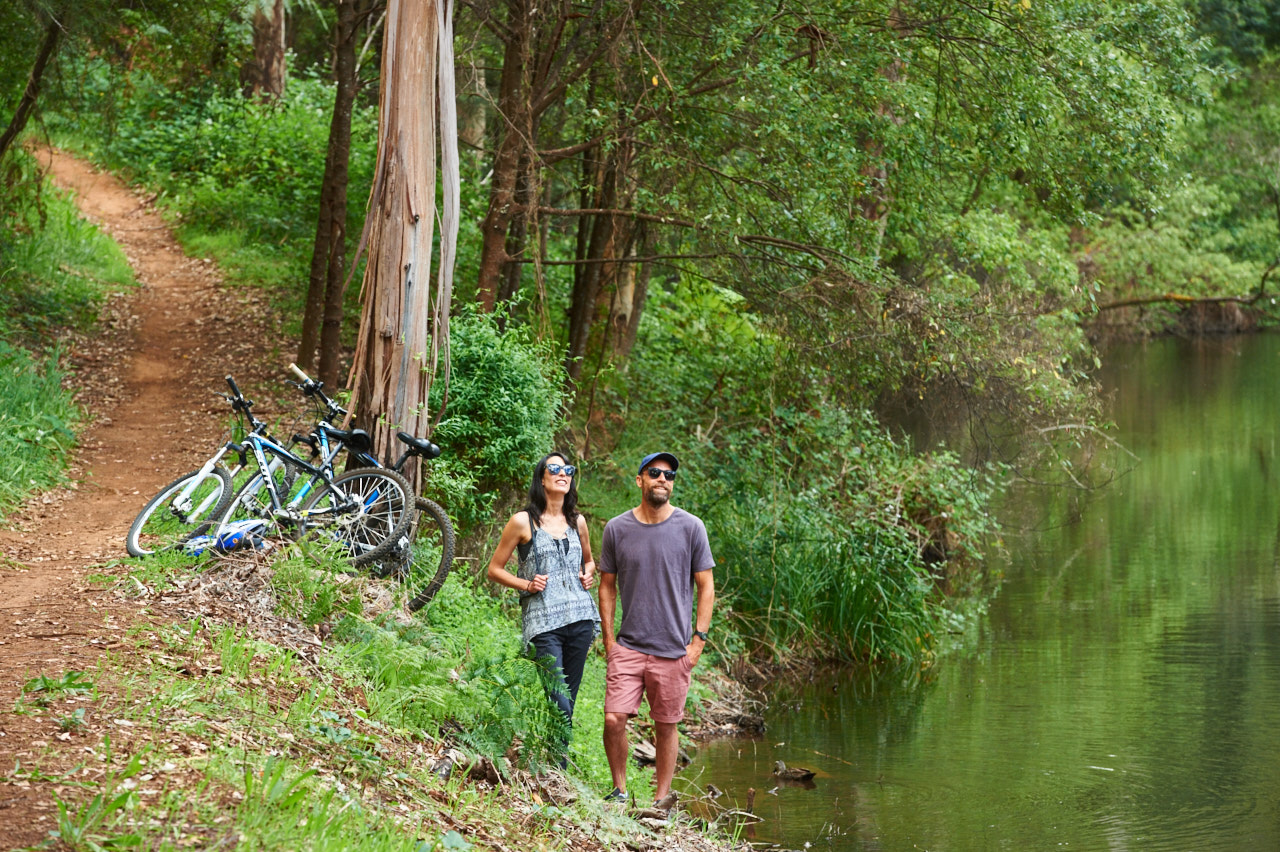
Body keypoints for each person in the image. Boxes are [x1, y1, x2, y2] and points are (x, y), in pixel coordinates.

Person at [598, 451, 715, 808]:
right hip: (629, 646)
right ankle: (619, 791)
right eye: (655, 472)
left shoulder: (691, 527)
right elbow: (606, 586)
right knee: (614, 717)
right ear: (640, 480)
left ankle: (661, 800)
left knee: (666, 725)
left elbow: (706, 586)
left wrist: (698, 641)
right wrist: (609, 641)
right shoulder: (617, 528)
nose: (663, 479)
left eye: (669, 475)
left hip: (674, 649)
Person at [486, 452, 600, 762]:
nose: (563, 473)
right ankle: (555, 769)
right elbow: (494, 569)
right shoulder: (523, 522)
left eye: (568, 469)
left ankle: (555, 769)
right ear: (542, 478)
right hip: (543, 624)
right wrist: (526, 584)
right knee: (559, 699)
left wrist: (588, 572)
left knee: (568, 701)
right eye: (555, 468)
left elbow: (589, 560)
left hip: (580, 619)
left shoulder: (578, 522)